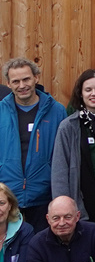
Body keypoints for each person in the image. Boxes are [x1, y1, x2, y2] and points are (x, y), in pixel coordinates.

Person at [51, 70, 95, 252]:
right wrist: (63, 205)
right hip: (82, 195)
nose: (94, 93)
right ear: (80, 93)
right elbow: (59, 169)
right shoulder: (69, 126)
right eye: (88, 90)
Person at [0, 58, 68, 231]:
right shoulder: (1, 111)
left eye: (26, 79)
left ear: (36, 78)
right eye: (16, 81)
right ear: (8, 83)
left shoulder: (57, 111)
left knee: (41, 245)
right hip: (7, 198)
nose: (22, 85)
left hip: (44, 197)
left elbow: (64, 156)